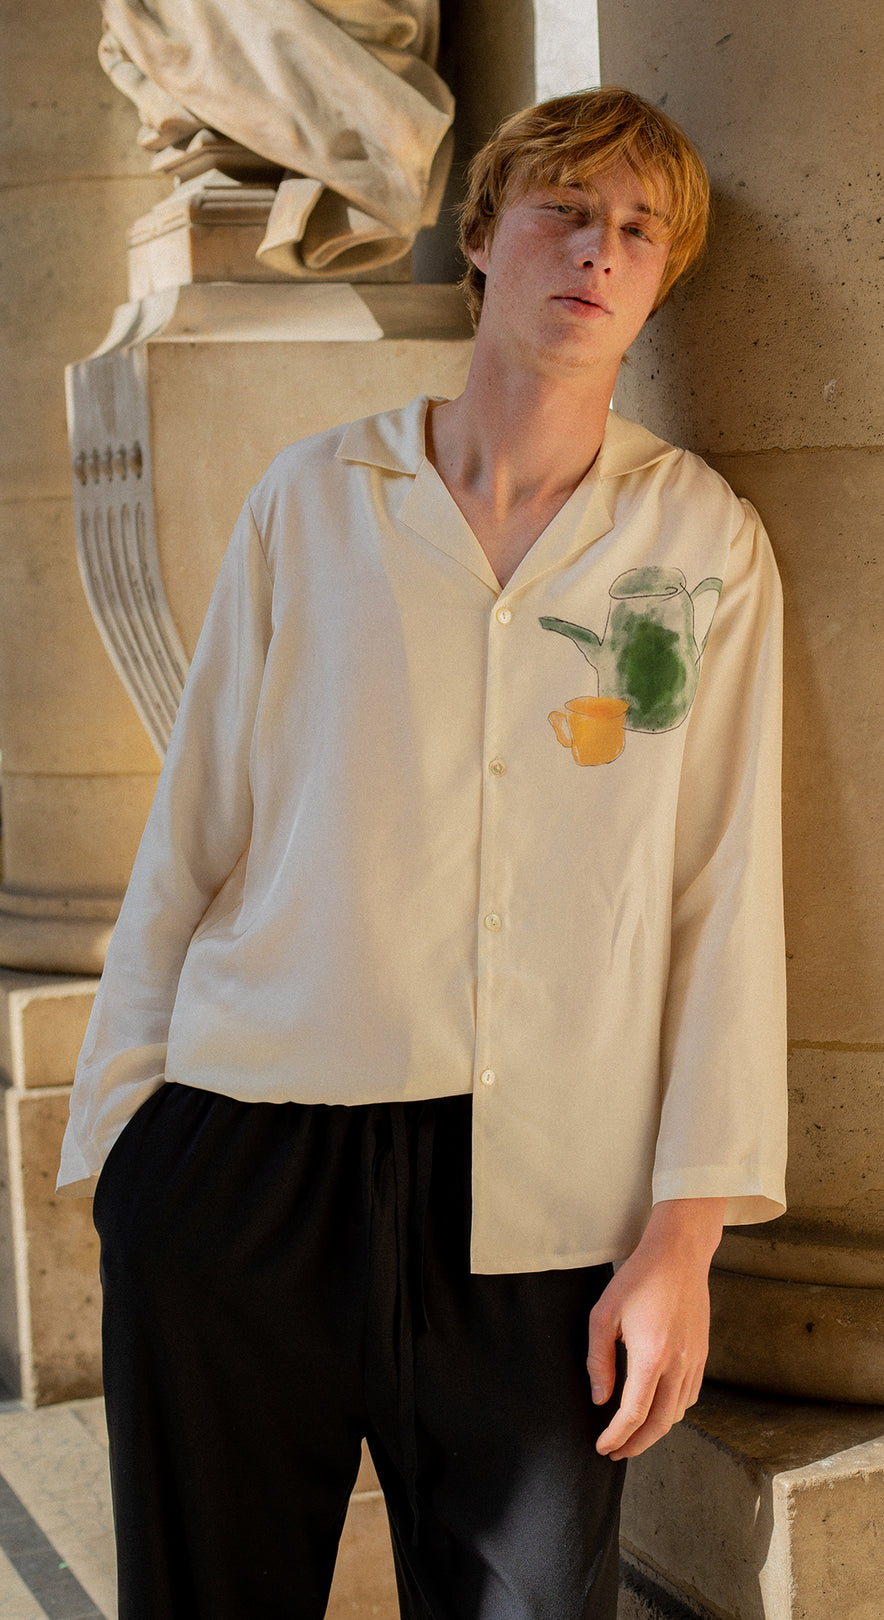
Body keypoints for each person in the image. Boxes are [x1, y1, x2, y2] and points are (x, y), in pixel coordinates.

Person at [58, 86, 787, 1620]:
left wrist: (686, 1235)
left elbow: (722, 891)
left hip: (545, 1204)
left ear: (662, 281)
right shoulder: (315, 501)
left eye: (638, 231)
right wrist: (124, 1152)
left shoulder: (699, 543)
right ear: (480, 236)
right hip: (249, 1160)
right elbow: (194, 830)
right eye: (565, 212)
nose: (598, 251)